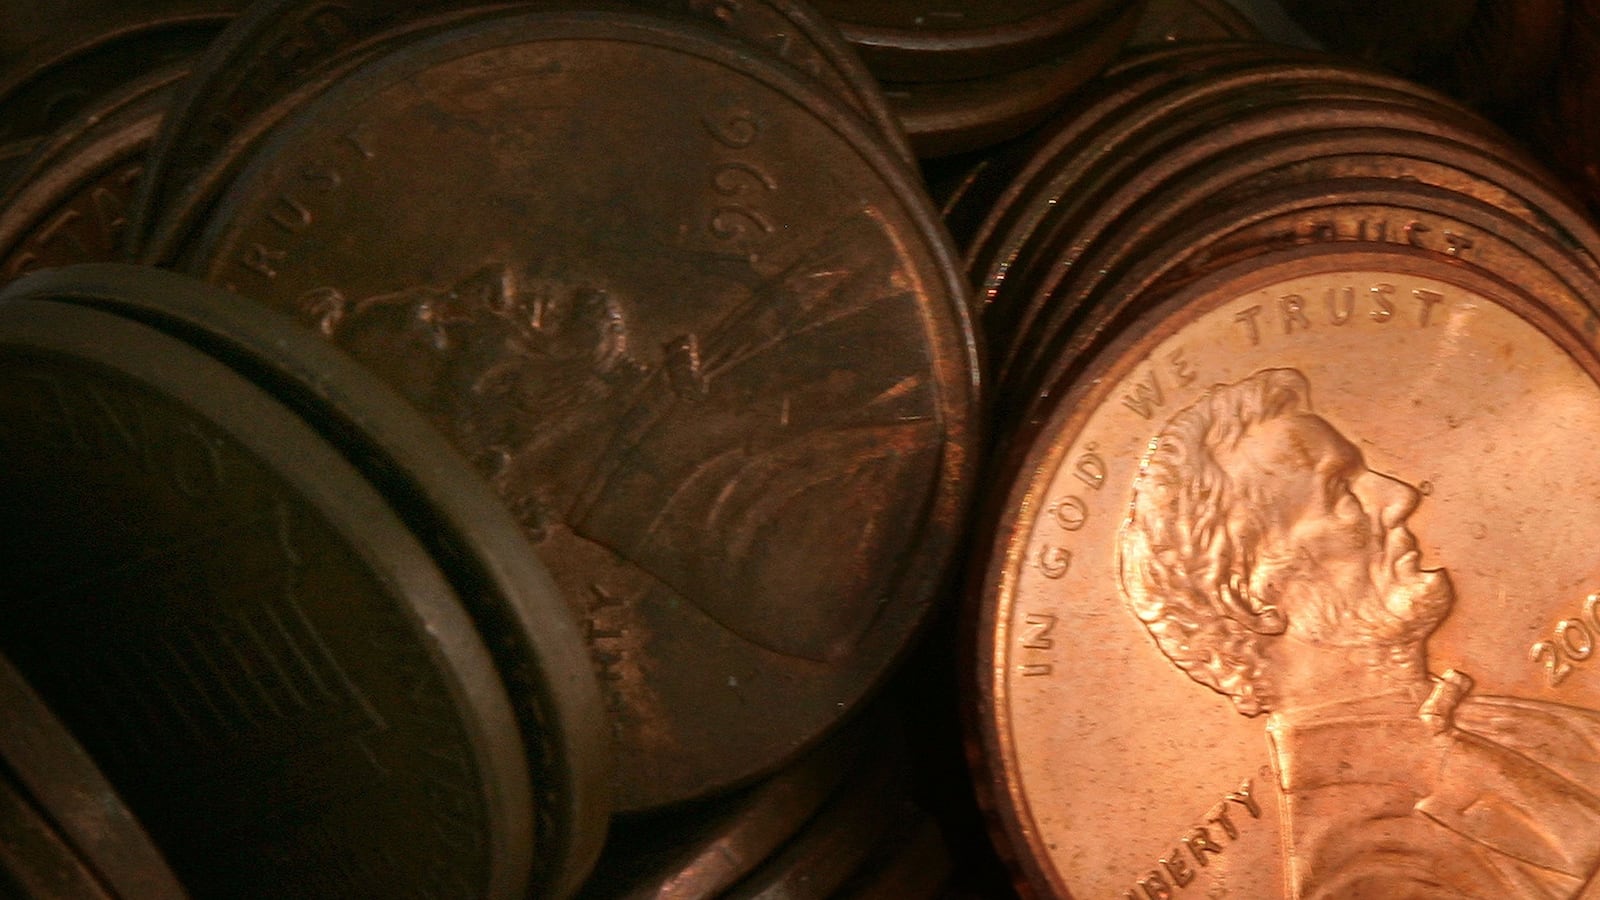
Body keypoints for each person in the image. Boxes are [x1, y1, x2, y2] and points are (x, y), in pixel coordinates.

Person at [1118, 367, 1600, 898]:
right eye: (1340, 489)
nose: (1399, 495)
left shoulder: (1525, 727)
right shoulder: (1375, 874)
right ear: (1249, 596)